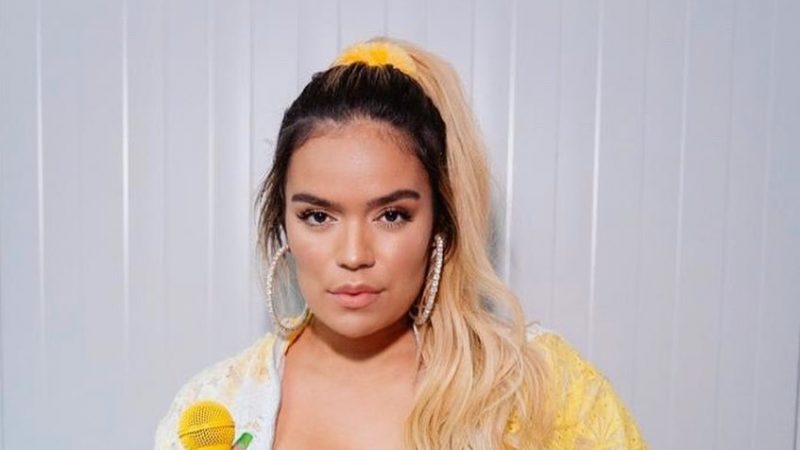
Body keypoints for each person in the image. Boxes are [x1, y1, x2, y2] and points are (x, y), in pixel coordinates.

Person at [154, 37, 648, 450]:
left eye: (391, 215)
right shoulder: (214, 408)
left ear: (439, 223)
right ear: (283, 222)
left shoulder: (535, 386)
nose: (353, 255)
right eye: (318, 216)